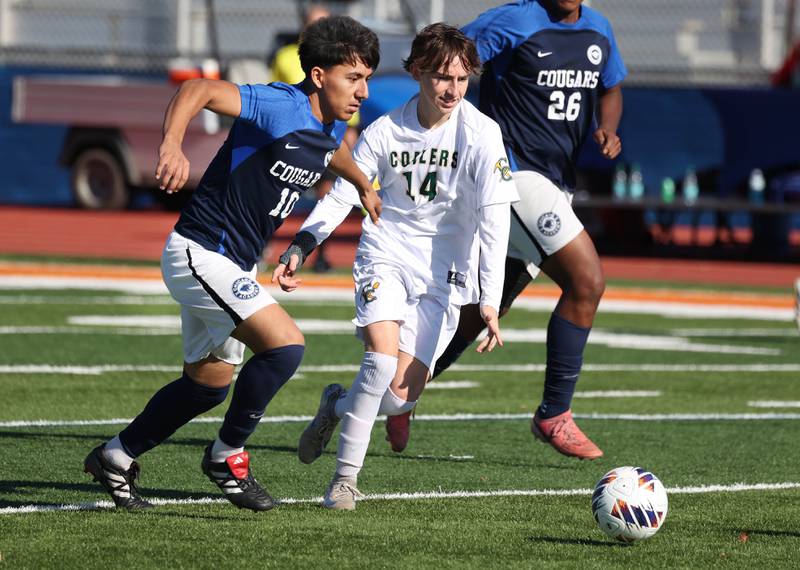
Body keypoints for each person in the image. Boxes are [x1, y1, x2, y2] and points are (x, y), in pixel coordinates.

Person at [83, 15, 381, 512]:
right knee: (286, 347)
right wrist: (172, 145)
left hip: (231, 267)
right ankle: (227, 455)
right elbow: (198, 89)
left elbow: (334, 156)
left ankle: (115, 457)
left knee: (206, 387)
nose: (364, 91)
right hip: (199, 253)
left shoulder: (328, 126)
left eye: (367, 77)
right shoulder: (279, 104)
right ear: (318, 76)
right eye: (354, 77)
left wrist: (365, 185)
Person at [272, 23, 519, 510]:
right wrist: (303, 242)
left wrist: (489, 299)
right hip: (387, 250)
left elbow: (495, 219)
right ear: (417, 73)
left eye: (463, 79)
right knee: (379, 360)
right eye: (442, 78)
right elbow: (345, 190)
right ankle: (345, 480)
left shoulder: (483, 134)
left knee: (399, 398)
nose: (452, 90)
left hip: (446, 271)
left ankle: (336, 406)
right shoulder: (385, 130)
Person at [386, 0, 626, 460]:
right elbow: (447, 61)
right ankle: (554, 413)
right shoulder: (513, 20)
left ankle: (403, 390)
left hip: (555, 182)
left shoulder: (599, 30)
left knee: (481, 309)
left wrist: (606, 126)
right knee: (587, 280)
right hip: (512, 173)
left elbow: (612, 87)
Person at [270, 3, 359, 272]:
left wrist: (350, 133)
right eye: (313, 24)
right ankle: (262, 244)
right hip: (292, 139)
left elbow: (348, 101)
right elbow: (274, 92)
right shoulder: (285, 56)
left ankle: (318, 252)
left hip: (327, 137)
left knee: (327, 194)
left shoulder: (338, 59)